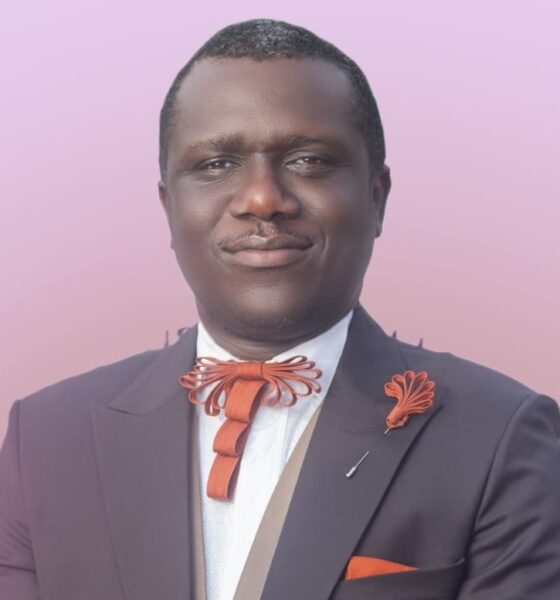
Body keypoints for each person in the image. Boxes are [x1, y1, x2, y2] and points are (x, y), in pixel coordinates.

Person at [1, 19, 559, 600]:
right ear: (169, 207)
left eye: (309, 160)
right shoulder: (44, 440)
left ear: (376, 198)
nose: (263, 198)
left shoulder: (498, 435)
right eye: (216, 164)